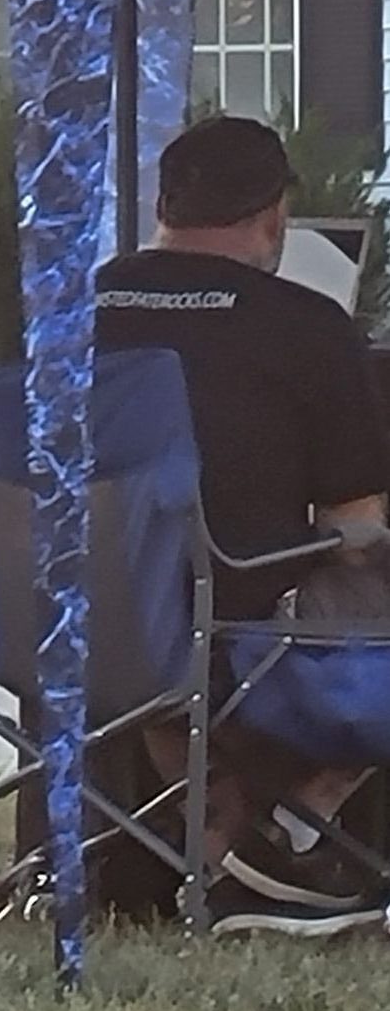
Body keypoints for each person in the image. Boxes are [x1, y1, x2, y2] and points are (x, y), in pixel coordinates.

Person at [96, 115, 390, 936]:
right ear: (273, 217)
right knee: (345, 600)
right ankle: (296, 823)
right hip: (236, 627)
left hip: (65, 618)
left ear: (162, 205)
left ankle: (215, 845)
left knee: (171, 622)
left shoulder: (73, 311)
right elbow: (354, 530)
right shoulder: (304, 324)